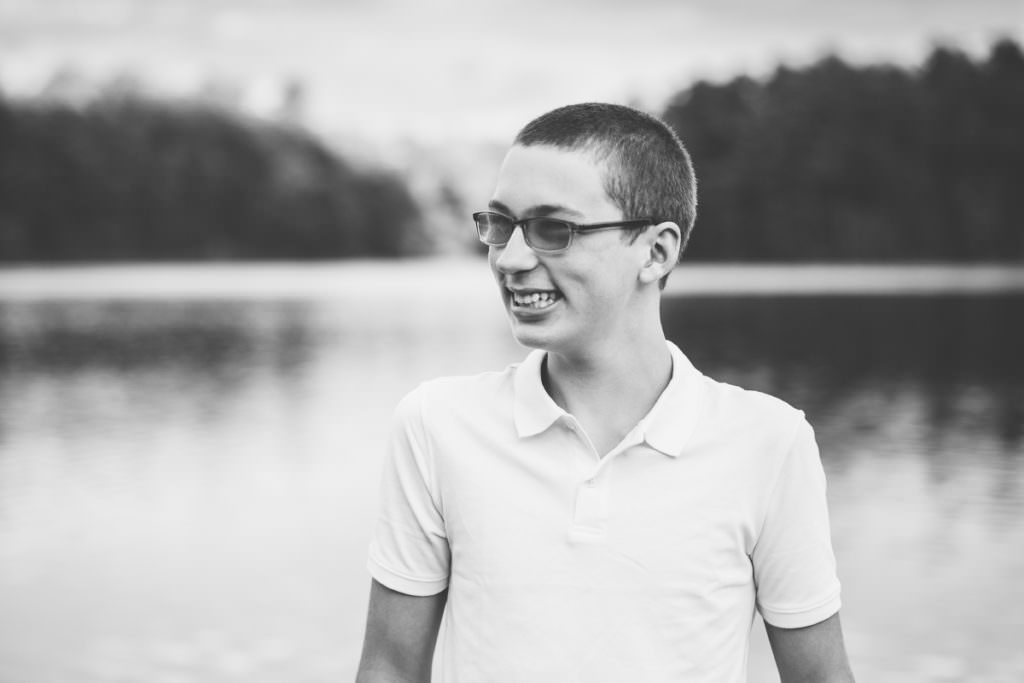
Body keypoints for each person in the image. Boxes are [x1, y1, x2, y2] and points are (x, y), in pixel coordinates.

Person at [356, 102, 855, 682]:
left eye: (553, 230)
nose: (511, 259)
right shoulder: (436, 426)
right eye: (501, 224)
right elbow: (389, 668)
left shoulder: (768, 442)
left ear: (656, 252)